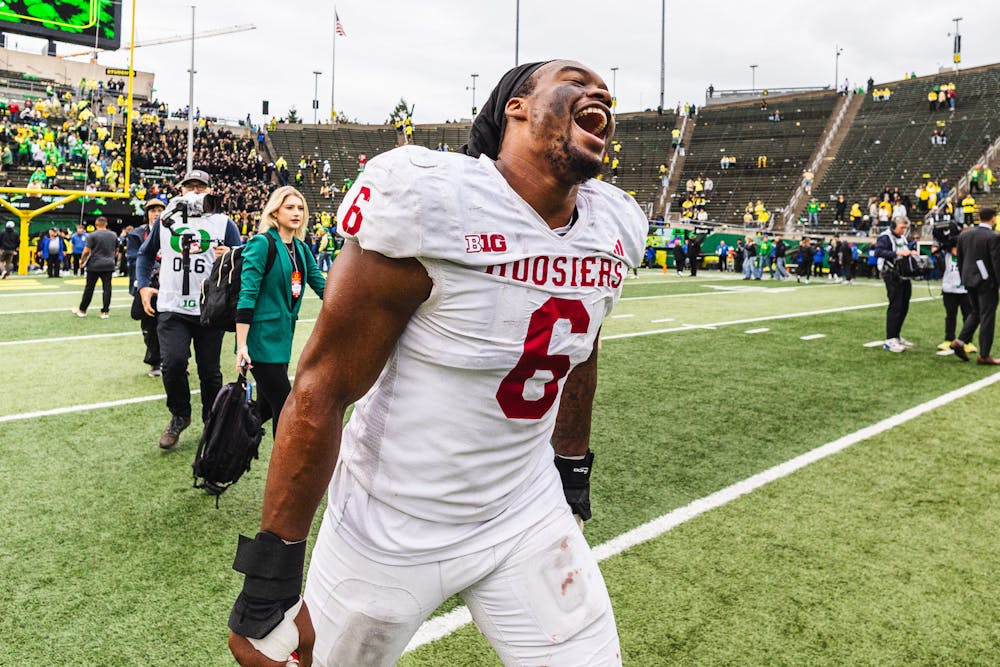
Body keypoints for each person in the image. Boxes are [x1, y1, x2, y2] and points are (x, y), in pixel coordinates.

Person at [226, 60, 645, 667]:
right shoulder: (433, 200)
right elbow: (323, 385)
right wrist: (270, 575)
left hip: (524, 509)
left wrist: (572, 473)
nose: (600, 90)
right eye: (574, 79)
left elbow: (579, 355)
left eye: (605, 86)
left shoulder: (612, 225)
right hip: (390, 523)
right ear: (517, 107)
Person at [136, 169, 243, 449]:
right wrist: (143, 285)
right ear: (180, 190)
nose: (195, 191)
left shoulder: (223, 222)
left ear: (210, 190)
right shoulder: (166, 218)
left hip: (210, 307)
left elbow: (245, 259)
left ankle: (211, 421)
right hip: (172, 307)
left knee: (210, 372)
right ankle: (180, 415)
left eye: (200, 186)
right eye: (189, 186)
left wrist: (230, 256)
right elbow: (145, 254)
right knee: (172, 363)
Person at [234, 186, 325, 437]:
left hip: (283, 339)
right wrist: (242, 344)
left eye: (300, 208)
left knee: (263, 411)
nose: (296, 212)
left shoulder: (301, 248)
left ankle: (222, 451)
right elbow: (247, 294)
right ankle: (282, 473)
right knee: (286, 406)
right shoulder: (261, 243)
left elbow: (322, 287)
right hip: (260, 342)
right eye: (289, 207)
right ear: (275, 212)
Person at [951, 208, 1000, 364]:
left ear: (979, 217)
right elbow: (996, 262)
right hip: (986, 282)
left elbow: (960, 259)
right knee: (987, 316)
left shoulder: (965, 234)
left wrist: (963, 277)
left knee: (976, 312)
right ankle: (984, 355)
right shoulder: (993, 236)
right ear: (993, 219)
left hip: (968, 279)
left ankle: (959, 341)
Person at [874, 217, 915, 352]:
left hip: (903, 274)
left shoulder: (902, 238)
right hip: (891, 274)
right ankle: (890, 339)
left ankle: (896, 335)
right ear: (893, 226)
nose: (904, 230)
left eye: (905, 228)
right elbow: (878, 252)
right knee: (896, 305)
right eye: (902, 227)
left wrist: (910, 252)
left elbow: (904, 250)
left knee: (904, 305)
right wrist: (897, 252)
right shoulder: (885, 237)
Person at [134, 200, 165, 375]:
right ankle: (154, 362)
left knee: (171, 324)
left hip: (169, 285)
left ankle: (174, 361)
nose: (156, 213)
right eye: (153, 210)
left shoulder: (174, 231)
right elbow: (134, 258)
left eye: (160, 210)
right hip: (148, 285)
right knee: (150, 327)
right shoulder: (138, 234)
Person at [73, 217, 117, 318]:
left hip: (94, 265)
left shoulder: (92, 235)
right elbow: (116, 250)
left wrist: (82, 262)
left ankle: (82, 310)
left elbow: (86, 251)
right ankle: (105, 312)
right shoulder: (113, 235)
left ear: (96, 225)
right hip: (109, 264)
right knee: (107, 289)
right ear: (106, 224)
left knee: (89, 288)